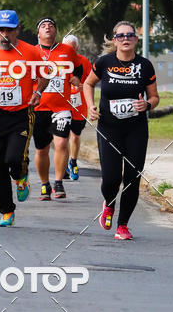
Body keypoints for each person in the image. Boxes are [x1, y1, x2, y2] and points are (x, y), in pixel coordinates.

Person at [83, 21, 159, 241]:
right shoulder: (104, 62)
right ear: (114, 40)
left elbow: (154, 96)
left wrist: (148, 105)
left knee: (133, 178)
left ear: (136, 39)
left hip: (136, 129)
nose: (125, 39)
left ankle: (123, 225)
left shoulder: (145, 66)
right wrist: (91, 106)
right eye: (121, 35)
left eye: (130, 35)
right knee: (110, 179)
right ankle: (108, 202)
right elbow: (88, 84)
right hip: (109, 128)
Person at [0, 10, 47, 226]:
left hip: (21, 114)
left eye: (9, 30)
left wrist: (37, 92)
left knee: (13, 159)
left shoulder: (30, 51)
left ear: (17, 30)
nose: (4, 34)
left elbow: (45, 74)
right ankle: (7, 211)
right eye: (1, 30)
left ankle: (21, 176)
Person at [33, 18, 84, 201]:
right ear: (38, 33)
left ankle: (58, 182)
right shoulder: (32, 52)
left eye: (51, 26)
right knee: (41, 149)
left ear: (56, 31)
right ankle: (45, 184)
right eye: (43, 26)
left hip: (61, 106)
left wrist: (76, 79)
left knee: (62, 143)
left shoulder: (67, 50)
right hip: (39, 107)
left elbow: (78, 68)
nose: (47, 28)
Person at [62, 34, 92, 181]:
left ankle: (73, 161)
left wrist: (83, 85)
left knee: (75, 135)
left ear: (77, 48)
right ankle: (65, 165)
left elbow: (90, 81)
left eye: (72, 49)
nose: (69, 51)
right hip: (62, 103)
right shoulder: (58, 61)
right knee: (63, 136)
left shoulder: (83, 61)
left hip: (79, 104)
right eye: (67, 48)